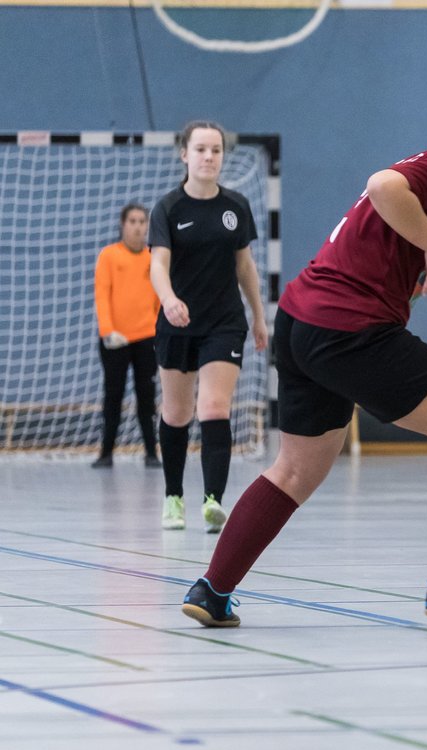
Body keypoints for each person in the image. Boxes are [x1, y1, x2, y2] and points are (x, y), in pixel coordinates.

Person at [180, 80, 427, 628]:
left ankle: (212, 590)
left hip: (302, 323)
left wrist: (410, 267)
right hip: (349, 330)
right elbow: (382, 186)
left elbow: (382, 222)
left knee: (295, 471)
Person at [149, 121, 268, 533]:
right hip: (177, 323)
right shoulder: (168, 208)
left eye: (215, 150)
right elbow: (158, 264)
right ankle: (173, 497)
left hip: (224, 322)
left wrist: (258, 315)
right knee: (177, 413)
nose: (208, 157)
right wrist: (169, 301)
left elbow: (244, 266)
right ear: (185, 154)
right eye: (200, 149)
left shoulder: (235, 206)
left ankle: (214, 501)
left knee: (214, 408)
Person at [92, 204, 161, 468]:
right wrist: (108, 331)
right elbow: (102, 295)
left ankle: (151, 453)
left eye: (142, 221)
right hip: (115, 340)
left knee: (146, 396)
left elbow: (158, 300)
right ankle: (106, 453)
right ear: (123, 224)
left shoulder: (153, 258)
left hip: (146, 338)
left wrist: (157, 331)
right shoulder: (109, 256)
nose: (138, 226)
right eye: (132, 221)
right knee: (113, 394)